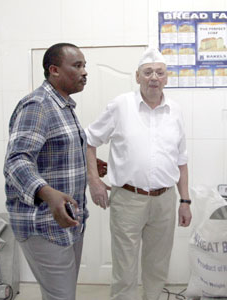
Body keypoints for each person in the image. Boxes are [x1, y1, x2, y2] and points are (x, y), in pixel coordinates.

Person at [85, 47, 192, 300]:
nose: (153, 77)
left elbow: (182, 161)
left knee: (157, 266)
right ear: (137, 76)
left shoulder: (175, 111)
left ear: (167, 78)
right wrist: (94, 181)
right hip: (128, 199)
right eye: (147, 72)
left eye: (159, 72)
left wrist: (185, 201)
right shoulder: (121, 106)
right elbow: (89, 140)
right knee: (125, 269)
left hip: (165, 200)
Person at [4, 43, 88, 300]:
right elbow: (16, 162)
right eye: (77, 65)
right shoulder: (38, 105)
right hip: (42, 223)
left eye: (84, 65)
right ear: (54, 70)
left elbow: (54, 152)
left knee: (63, 294)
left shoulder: (64, 106)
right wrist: (48, 194)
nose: (85, 72)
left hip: (68, 221)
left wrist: (85, 164)